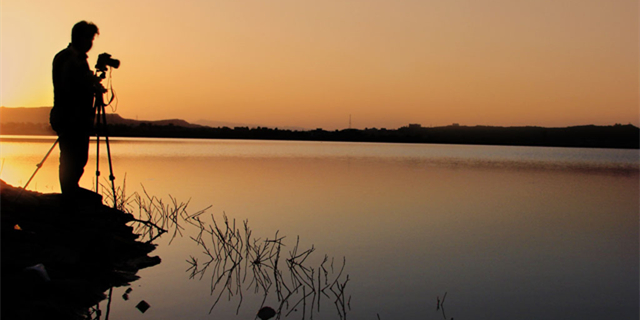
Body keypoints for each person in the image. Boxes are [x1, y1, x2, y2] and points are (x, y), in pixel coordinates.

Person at [50, 21, 101, 200]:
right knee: (70, 158)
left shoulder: (79, 60)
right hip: (69, 118)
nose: (90, 43)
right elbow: (67, 88)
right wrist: (88, 84)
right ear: (79, 37)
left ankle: (72, 191)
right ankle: (69, 195)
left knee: (79, 159)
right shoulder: (66, 58)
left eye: (92, 39)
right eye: (88, 38)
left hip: (79, 119)